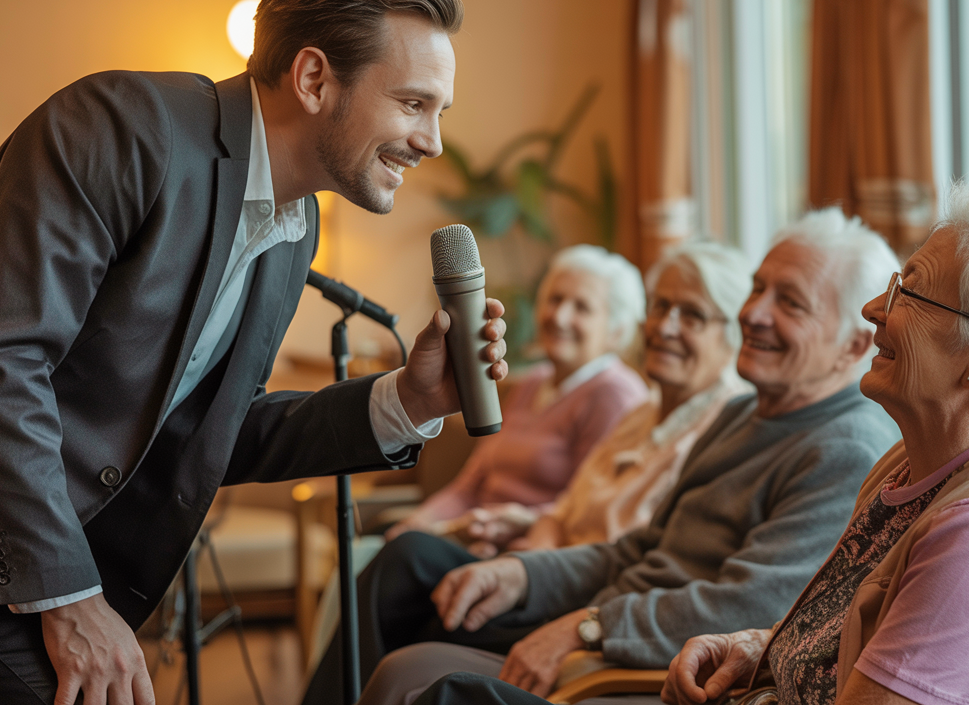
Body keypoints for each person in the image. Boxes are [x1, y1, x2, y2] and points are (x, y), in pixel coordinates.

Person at [0, 0, 508, 704]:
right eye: (413, 104)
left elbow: (211, 430)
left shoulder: (294, 229)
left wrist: (406, 400)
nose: (432, 142)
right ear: (314, 77)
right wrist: (67, 596)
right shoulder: (122, 127)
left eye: (438, 112)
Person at [300, 211, 902, 705]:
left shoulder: (843, 448)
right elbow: (637, 548)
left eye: (790, 302)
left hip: (641, 657)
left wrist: (591, 626)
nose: (753, 313)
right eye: (757, 289)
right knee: (412, 573)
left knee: (421, 661)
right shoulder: (745, 414)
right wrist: (523, 573)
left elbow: (751, 608)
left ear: (855, 343)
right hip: (612, 613)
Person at [654, 180, 969, 705]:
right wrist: (757, 647)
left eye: (909, 293)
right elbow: (853, 642)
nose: (874, 308)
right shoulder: (916, 460)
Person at [479, 242, 754, 556]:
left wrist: (531, 573)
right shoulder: (641, 414)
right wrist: (531, 564)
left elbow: (637, 559)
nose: (665, 327)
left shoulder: (728, 429)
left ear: (736, 332)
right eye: (660, 307)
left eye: (692, 315)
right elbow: (562, 513)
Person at [385, 245, 650, 551]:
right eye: (555, 299)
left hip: (525, 553)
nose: (560, 317)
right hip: (469, 538)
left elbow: (584, 508)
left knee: (406, 554)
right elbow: (472, 483)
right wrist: (421, 521)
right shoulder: (532, 383)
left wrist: (497, 532)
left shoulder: (615, 395)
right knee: (394, 537)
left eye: (582, 307)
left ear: (616, 330)